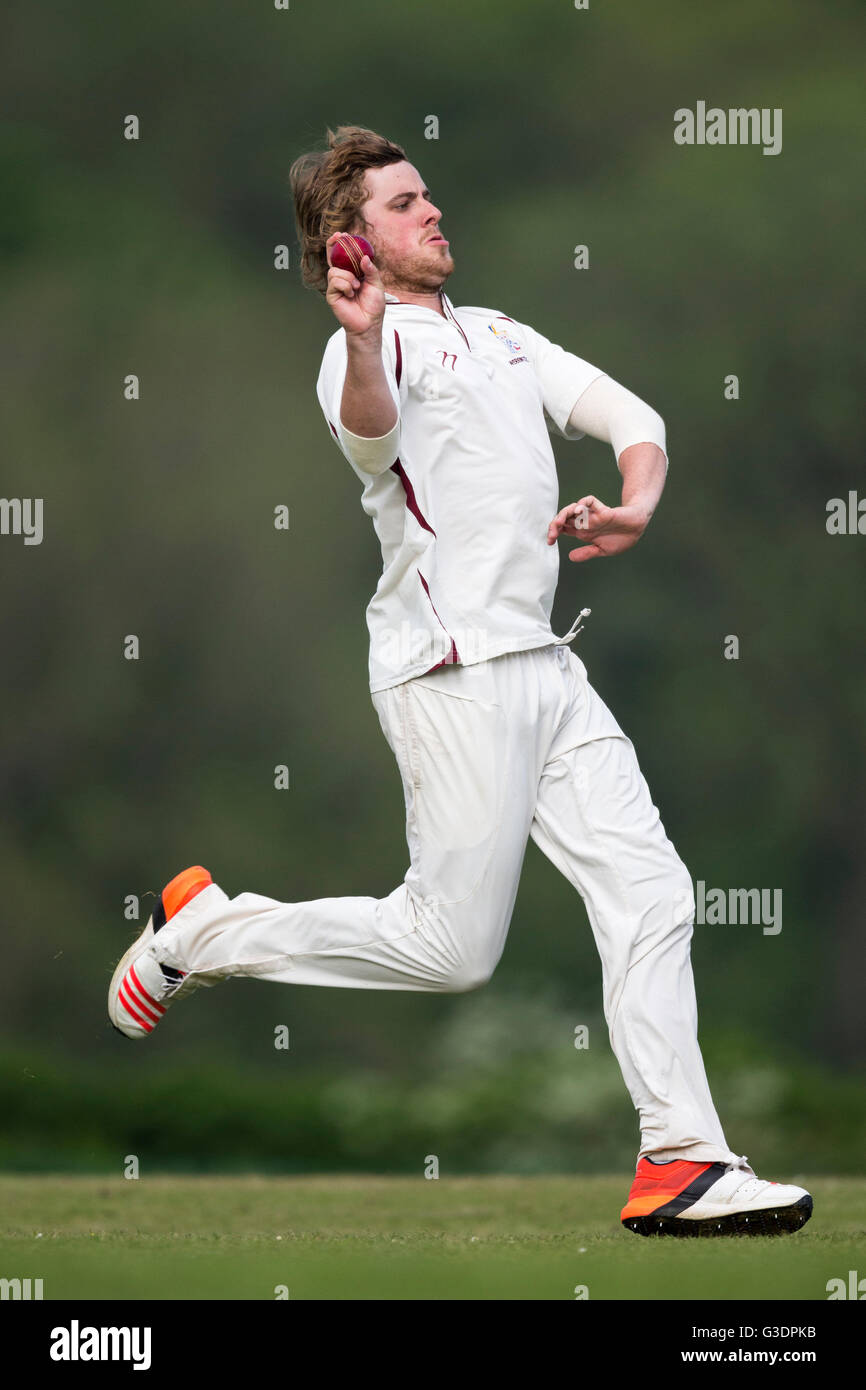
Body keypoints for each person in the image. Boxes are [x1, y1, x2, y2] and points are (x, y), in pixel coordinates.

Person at [108, 126, 811, 1238]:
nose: (432, 212)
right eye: (403, 203)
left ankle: (681, 1161)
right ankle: (204, 934)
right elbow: (370, 433)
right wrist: (361, 341)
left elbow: (637, 421)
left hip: (546, 666)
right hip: (451, 674)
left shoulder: (501, 336)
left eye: (427, 192)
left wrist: (632, 500)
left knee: (652, 894)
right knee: (451, 952)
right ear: (354, 243)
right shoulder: (361, 355)